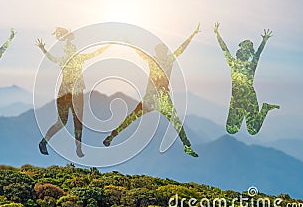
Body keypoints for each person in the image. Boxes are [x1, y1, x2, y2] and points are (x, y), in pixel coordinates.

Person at [103, 24, 201, 157]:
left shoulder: (153, 60)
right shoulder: (168, 60)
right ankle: (186, 145)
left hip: (151, 97)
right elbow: (181, 49)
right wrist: (193, 34)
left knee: (131, 118)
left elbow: (139, 52)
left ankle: (112, 136)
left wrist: (127, 41)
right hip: (162, 98)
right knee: (176, 122)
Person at [36, 27, 111, 157]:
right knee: (74, 121)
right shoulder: (77, 58)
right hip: (72, 94)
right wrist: (109, 44)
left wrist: (43, 49)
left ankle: (72, 147)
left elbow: (52, 58)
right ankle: (75, 148)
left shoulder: (66, 59)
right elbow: (95, 53)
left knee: (67, 122)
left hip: (66, 94)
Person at [214, 23, 279, 135]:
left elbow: (257, 54)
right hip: (237, 100)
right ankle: (262, 109)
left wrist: (264, 41)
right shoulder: (234, 63)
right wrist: (217, 34)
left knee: (252, 130)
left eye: (245, 50)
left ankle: (265, 108)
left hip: (249, 99)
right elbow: (224, 49)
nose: (241, 52)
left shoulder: (248, 65)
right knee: (231, 129)